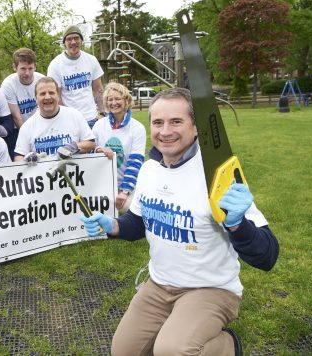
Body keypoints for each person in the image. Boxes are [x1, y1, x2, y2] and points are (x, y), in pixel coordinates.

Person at [80, 88, 279, 355]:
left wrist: (237, 224)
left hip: (210, 288)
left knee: (171, 351)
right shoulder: (150, 170)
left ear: (196, 127)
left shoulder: (216, 174)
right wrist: (113, 226)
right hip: (160, 284)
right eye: (158, 123)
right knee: (122, 351)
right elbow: (139, 223)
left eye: (176, 122)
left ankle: (227, 345)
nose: (165, 131)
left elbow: (267, 256)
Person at [92, 82, 146, 212]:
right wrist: (98, 150)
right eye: (110, 99)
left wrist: (125, 191)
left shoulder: (137, 128)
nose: (113, 103)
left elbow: (135, 163)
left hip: (127, 186)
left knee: (135, 212)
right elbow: (89, 154)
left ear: (126, 101)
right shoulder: (99, 125)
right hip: (102, 185)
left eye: (117, 99)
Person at [14, 77, 96, 162]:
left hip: (73, 172)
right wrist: (26, 160)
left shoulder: (74, 115)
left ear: (58, 96)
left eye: (51, 93)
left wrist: (75, 146)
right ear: (36, 98)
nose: (47, 97)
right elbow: (18, 157)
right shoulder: (27, 126)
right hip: (42, 173)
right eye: (42, 94)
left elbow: (91, 143)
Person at [47, 25, 105, 128]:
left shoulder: (91, 60)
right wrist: (65, 117)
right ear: (64, 43)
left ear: (81, 41)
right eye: (69, 39)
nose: (73, 42)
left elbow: (98, 89)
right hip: (69, 121)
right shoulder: (55, 65)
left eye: (76, 38)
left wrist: (102, 113)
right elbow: (56, 96)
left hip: (92, 118)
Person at [1, 48, 45, 159]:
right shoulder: (8, 84)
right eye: (23, 69)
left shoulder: (42, 80)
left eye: (30, 69)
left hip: (40, 125)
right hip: (19, 127)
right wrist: (29, 136)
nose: (27, 73)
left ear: (35, 66)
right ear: (15, 67)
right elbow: (16, 116)